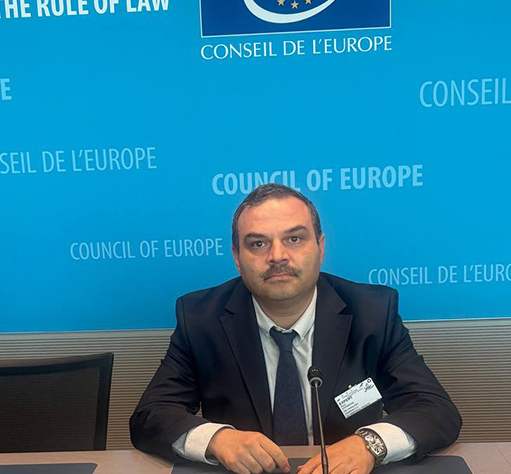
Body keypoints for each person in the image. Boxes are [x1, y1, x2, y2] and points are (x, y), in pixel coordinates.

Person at [130, 184, 461, 474]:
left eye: (294, 238)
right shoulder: (201, 318)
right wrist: (218, 440)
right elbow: (150, 416)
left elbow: (435, 410)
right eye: (258, 244)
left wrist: (368, 444)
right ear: (236, 257)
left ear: (320, 247)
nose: (278, 256)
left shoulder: (372, 312)